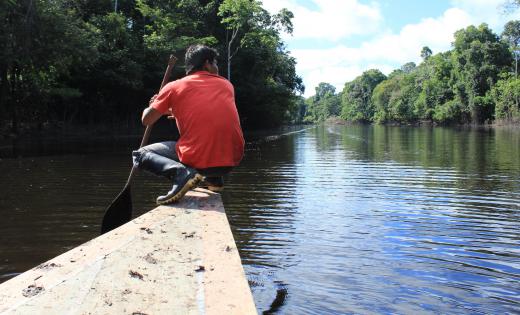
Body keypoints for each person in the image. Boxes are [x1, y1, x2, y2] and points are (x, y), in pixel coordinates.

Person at [132, 44, 244, 205]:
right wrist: (172, 111)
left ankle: (181, 173)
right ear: (207, 64)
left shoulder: (174, 87)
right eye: (216, 63)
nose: (217, 67)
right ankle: (214, 180)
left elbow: (147, 120)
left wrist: (153, 105)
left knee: (140, 155)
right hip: (229, 161)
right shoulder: (227, 85)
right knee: (206, 140)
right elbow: (202, 111)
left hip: (200, 158)